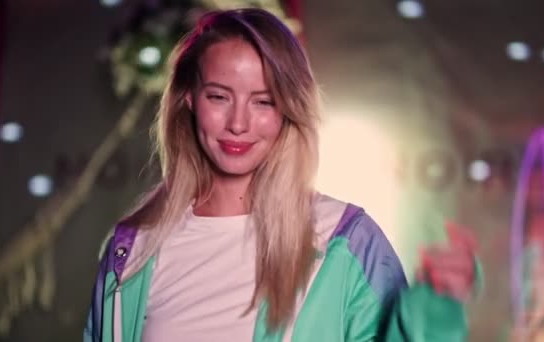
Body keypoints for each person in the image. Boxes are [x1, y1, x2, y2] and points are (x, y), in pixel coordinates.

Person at [83, 8, 479, 342]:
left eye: (263, 102)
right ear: (188, 98)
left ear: (288, 108)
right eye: (219, 96)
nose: (238, 123)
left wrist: (434, 314)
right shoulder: (132, 251)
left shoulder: (343, 240)